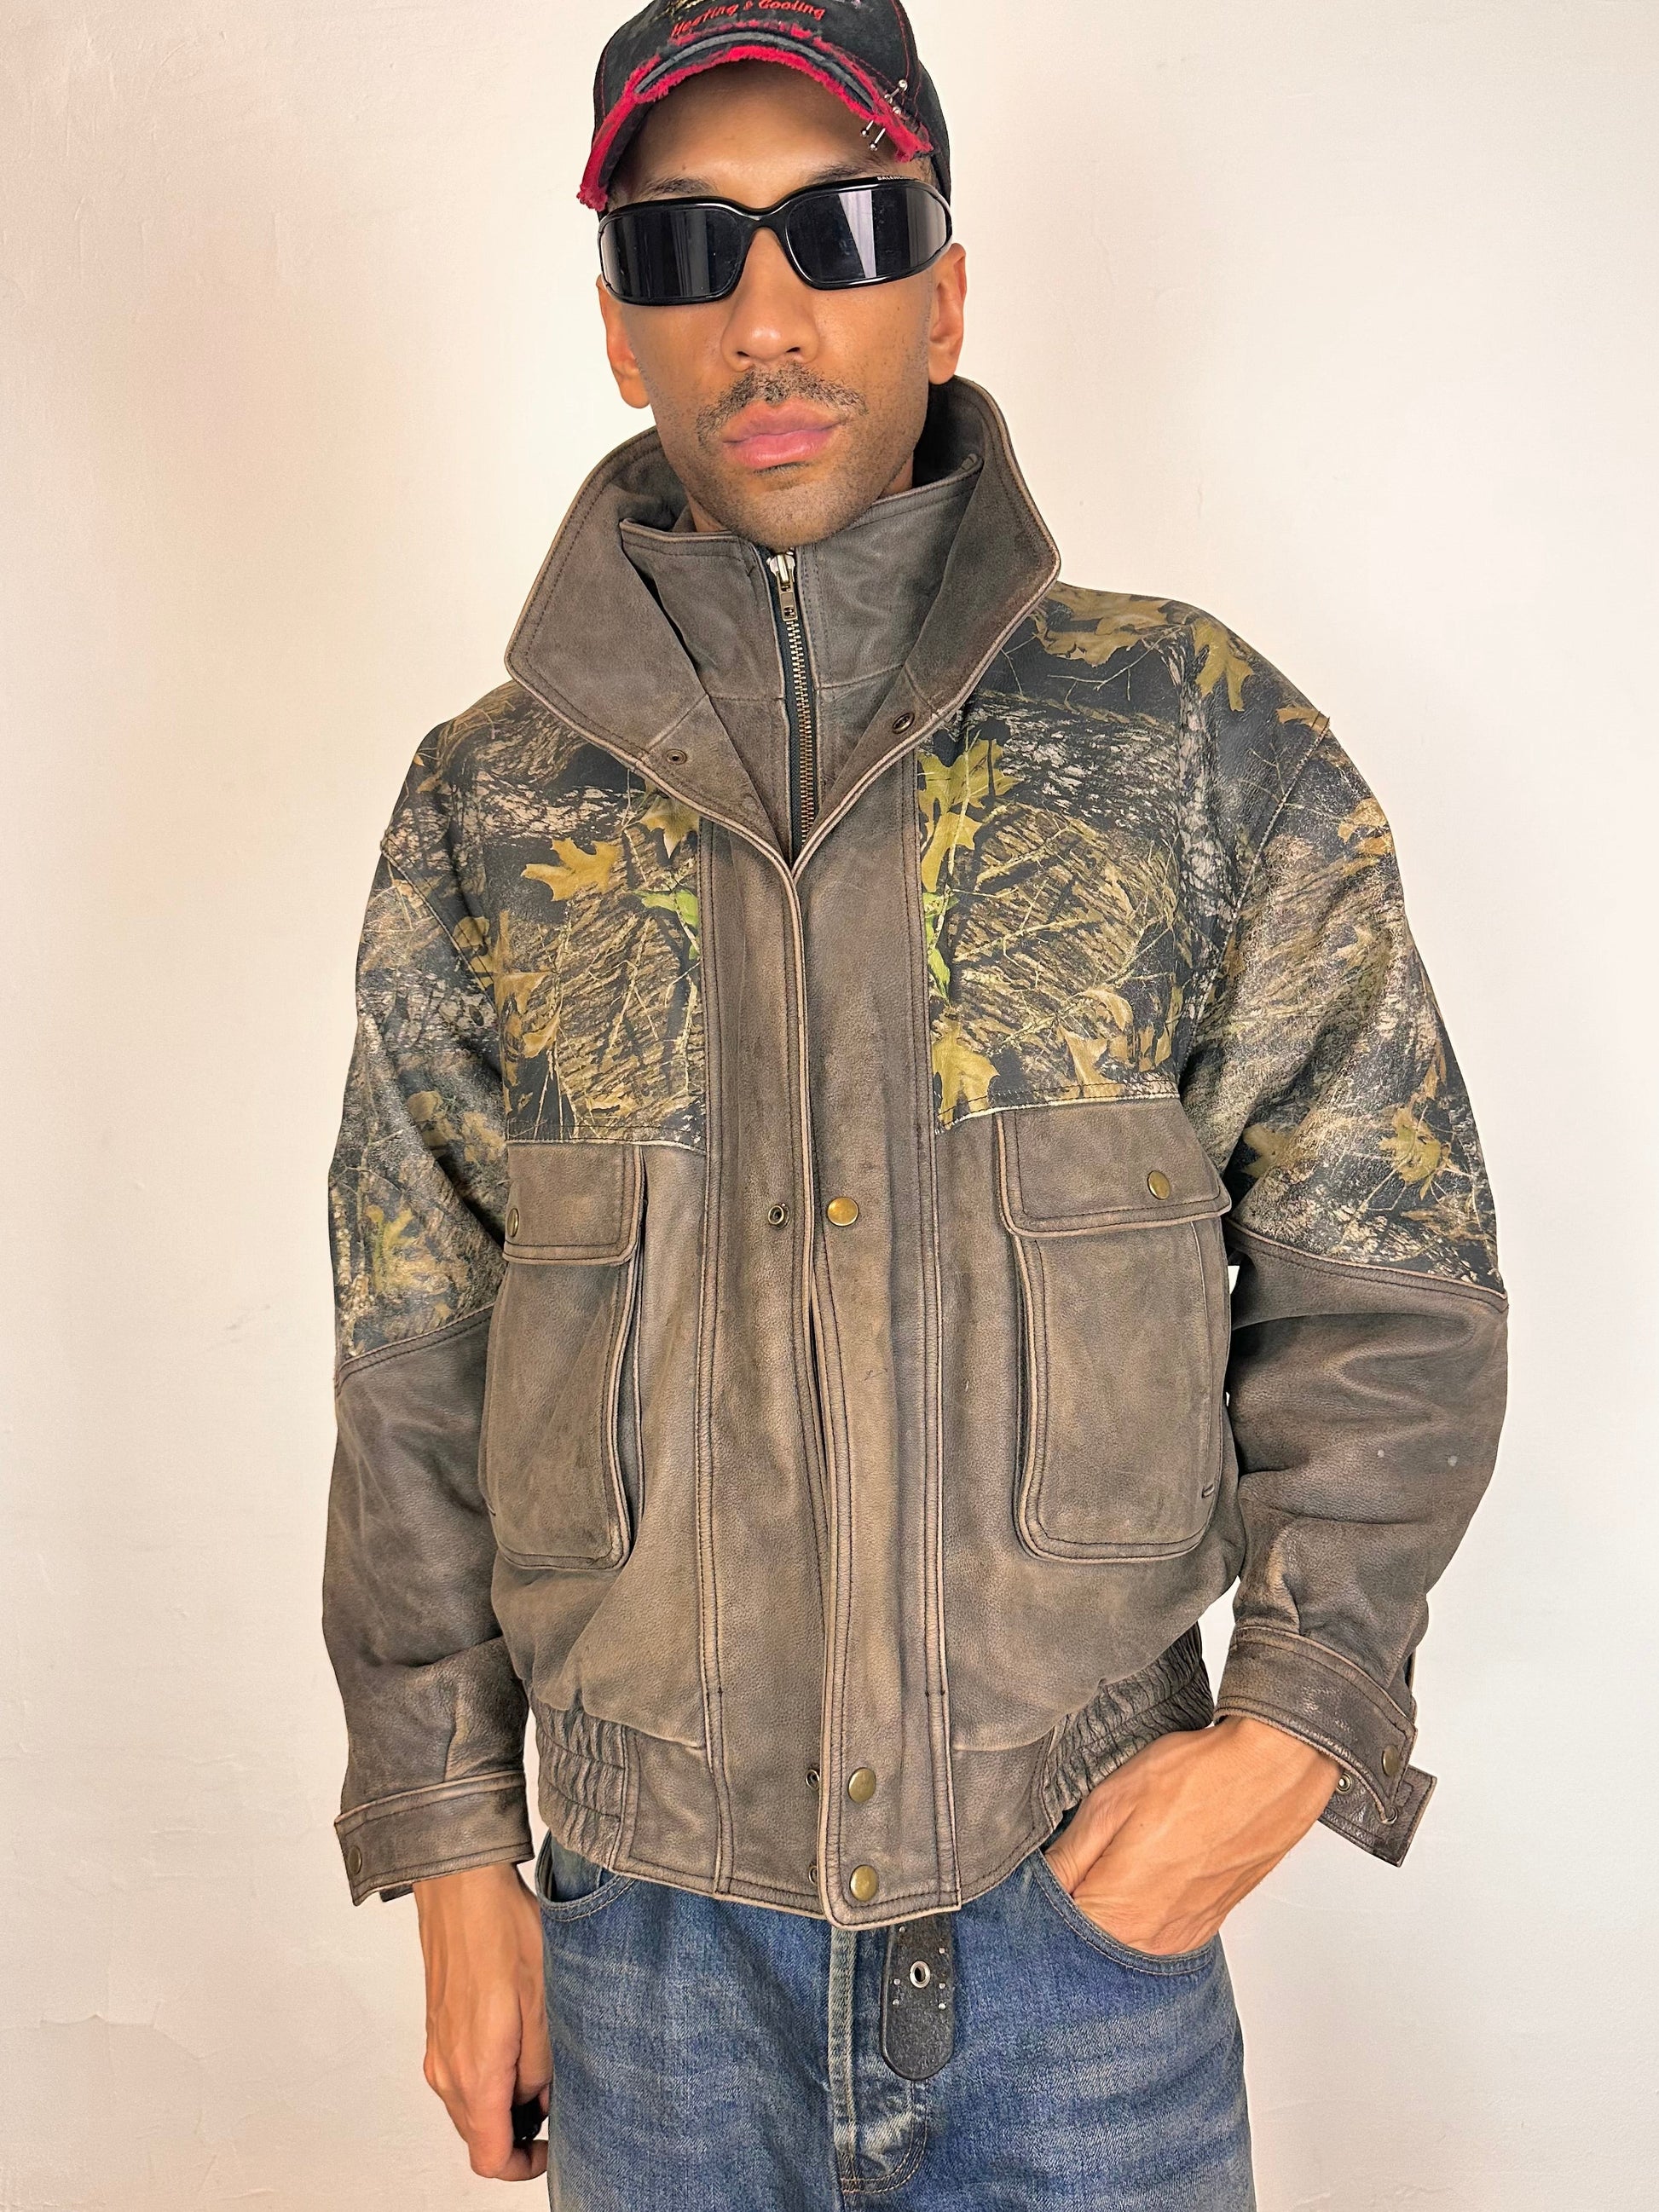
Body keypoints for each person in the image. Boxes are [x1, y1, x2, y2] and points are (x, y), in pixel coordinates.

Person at [321, 4, 1508, 2203]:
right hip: (652, 1970)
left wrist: (1292, 1729)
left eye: (842, 232)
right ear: (617, 328)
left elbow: (1392, 1278)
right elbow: (414, 1357)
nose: (766, 316)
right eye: (688, 250)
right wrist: (453, 1850)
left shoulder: (1186, 735)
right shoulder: (492, 809)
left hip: (1078, 1953)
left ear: (945, 294)